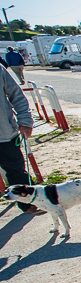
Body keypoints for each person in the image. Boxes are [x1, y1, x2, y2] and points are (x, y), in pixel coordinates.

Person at [0, 66, 42, 214]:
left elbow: (16, 94)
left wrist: (25, 120)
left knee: (16, 172)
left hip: (4, 134)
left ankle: (28, 204)